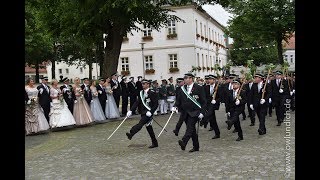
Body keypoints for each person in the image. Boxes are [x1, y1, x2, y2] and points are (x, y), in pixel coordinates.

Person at [172, 73, 207, 152]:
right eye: (184, 78)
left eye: (187, 78)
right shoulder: (182, 88)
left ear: (191, 79)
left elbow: (204, 101)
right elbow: (178, 100)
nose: (185, 79)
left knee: (190, 127)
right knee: (192, 130)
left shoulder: (199, 88)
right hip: (185, 112)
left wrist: (202, 112)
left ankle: (184, 141)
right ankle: (196, 147)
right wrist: (175, 106)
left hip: (195, 112)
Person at [126, 79, 159, 148]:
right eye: (142, 84)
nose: (143, 85)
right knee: (149, 128)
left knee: (140, 123)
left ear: (148, 84)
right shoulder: (141, 93)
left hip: (149, 113)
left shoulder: (152, 92)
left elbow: (156, 104)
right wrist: (131, 110)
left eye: (144, 84)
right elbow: (137, 102)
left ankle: (131, 133)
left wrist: (151, 112)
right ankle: (155, 143)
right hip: (143, 112)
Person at [202, 74, 221, 139]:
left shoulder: (218, 87)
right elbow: (205, 97)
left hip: (214, 104)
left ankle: (204, 120)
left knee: (209, 114)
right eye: (208, 79)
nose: (209, 80)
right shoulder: (206, 87)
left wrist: (216, 100)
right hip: (208, 105)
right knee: (212, 120)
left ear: (214, 80)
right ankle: (217, 133)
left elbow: (221, 97)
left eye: (210, 79)